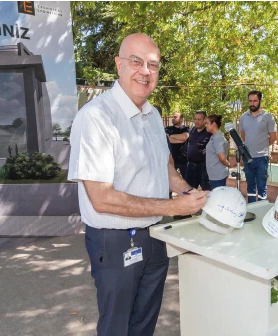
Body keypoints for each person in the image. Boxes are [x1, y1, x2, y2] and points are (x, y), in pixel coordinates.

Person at [68, 33, 208, 336]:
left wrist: (188, 192)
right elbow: (101, 199)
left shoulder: (153, 114)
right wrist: (173, 206)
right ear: (119, 65)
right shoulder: (95, 118)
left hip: (155, 235)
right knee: (117, 326)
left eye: (153, 65)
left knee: (145, 323)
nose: (145, 71)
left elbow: (165, 166)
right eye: (136, 61)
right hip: (115, 239)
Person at [239, 90, 277, 203]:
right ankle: (251, 208)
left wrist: (262, 146)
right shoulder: (243, 117)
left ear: (260, 101)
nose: (252, 103)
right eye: (250, 101)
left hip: (262, 158)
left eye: (255, 101)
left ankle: (261, 211)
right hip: (247, 157)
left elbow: (273, 137)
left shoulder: (268, 117)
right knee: (250, 186)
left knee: (261, 187)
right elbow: (243, 135)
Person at [205, 114, 235, 189]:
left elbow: (221, 158)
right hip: (214, 175)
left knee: (217, 198)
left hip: (217, 175)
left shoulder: (218, 138)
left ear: (214, 124)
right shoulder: (214, 136)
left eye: (207, 123)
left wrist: (229, 165)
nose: (205, 125)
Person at [186, 110, 211, 191]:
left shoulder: (209, 132)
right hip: (190, 166)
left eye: (199, 119)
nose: (196, 121)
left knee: (206, 190)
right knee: (189, 191)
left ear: (204, 120)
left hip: (203, 167)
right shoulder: (192, 131)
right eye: (195, 119)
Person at [165, 112, 190, 178]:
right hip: (172, 159)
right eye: (173, 117)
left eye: (175, 117)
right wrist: (180, 139)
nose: (173, 118)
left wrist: (171, 136)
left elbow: (184, 137)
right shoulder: (168, 129)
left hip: (184, 160)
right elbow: (168, 140)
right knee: (171, 180)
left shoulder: (186, 128)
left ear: (181, 119)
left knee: (187, 181)